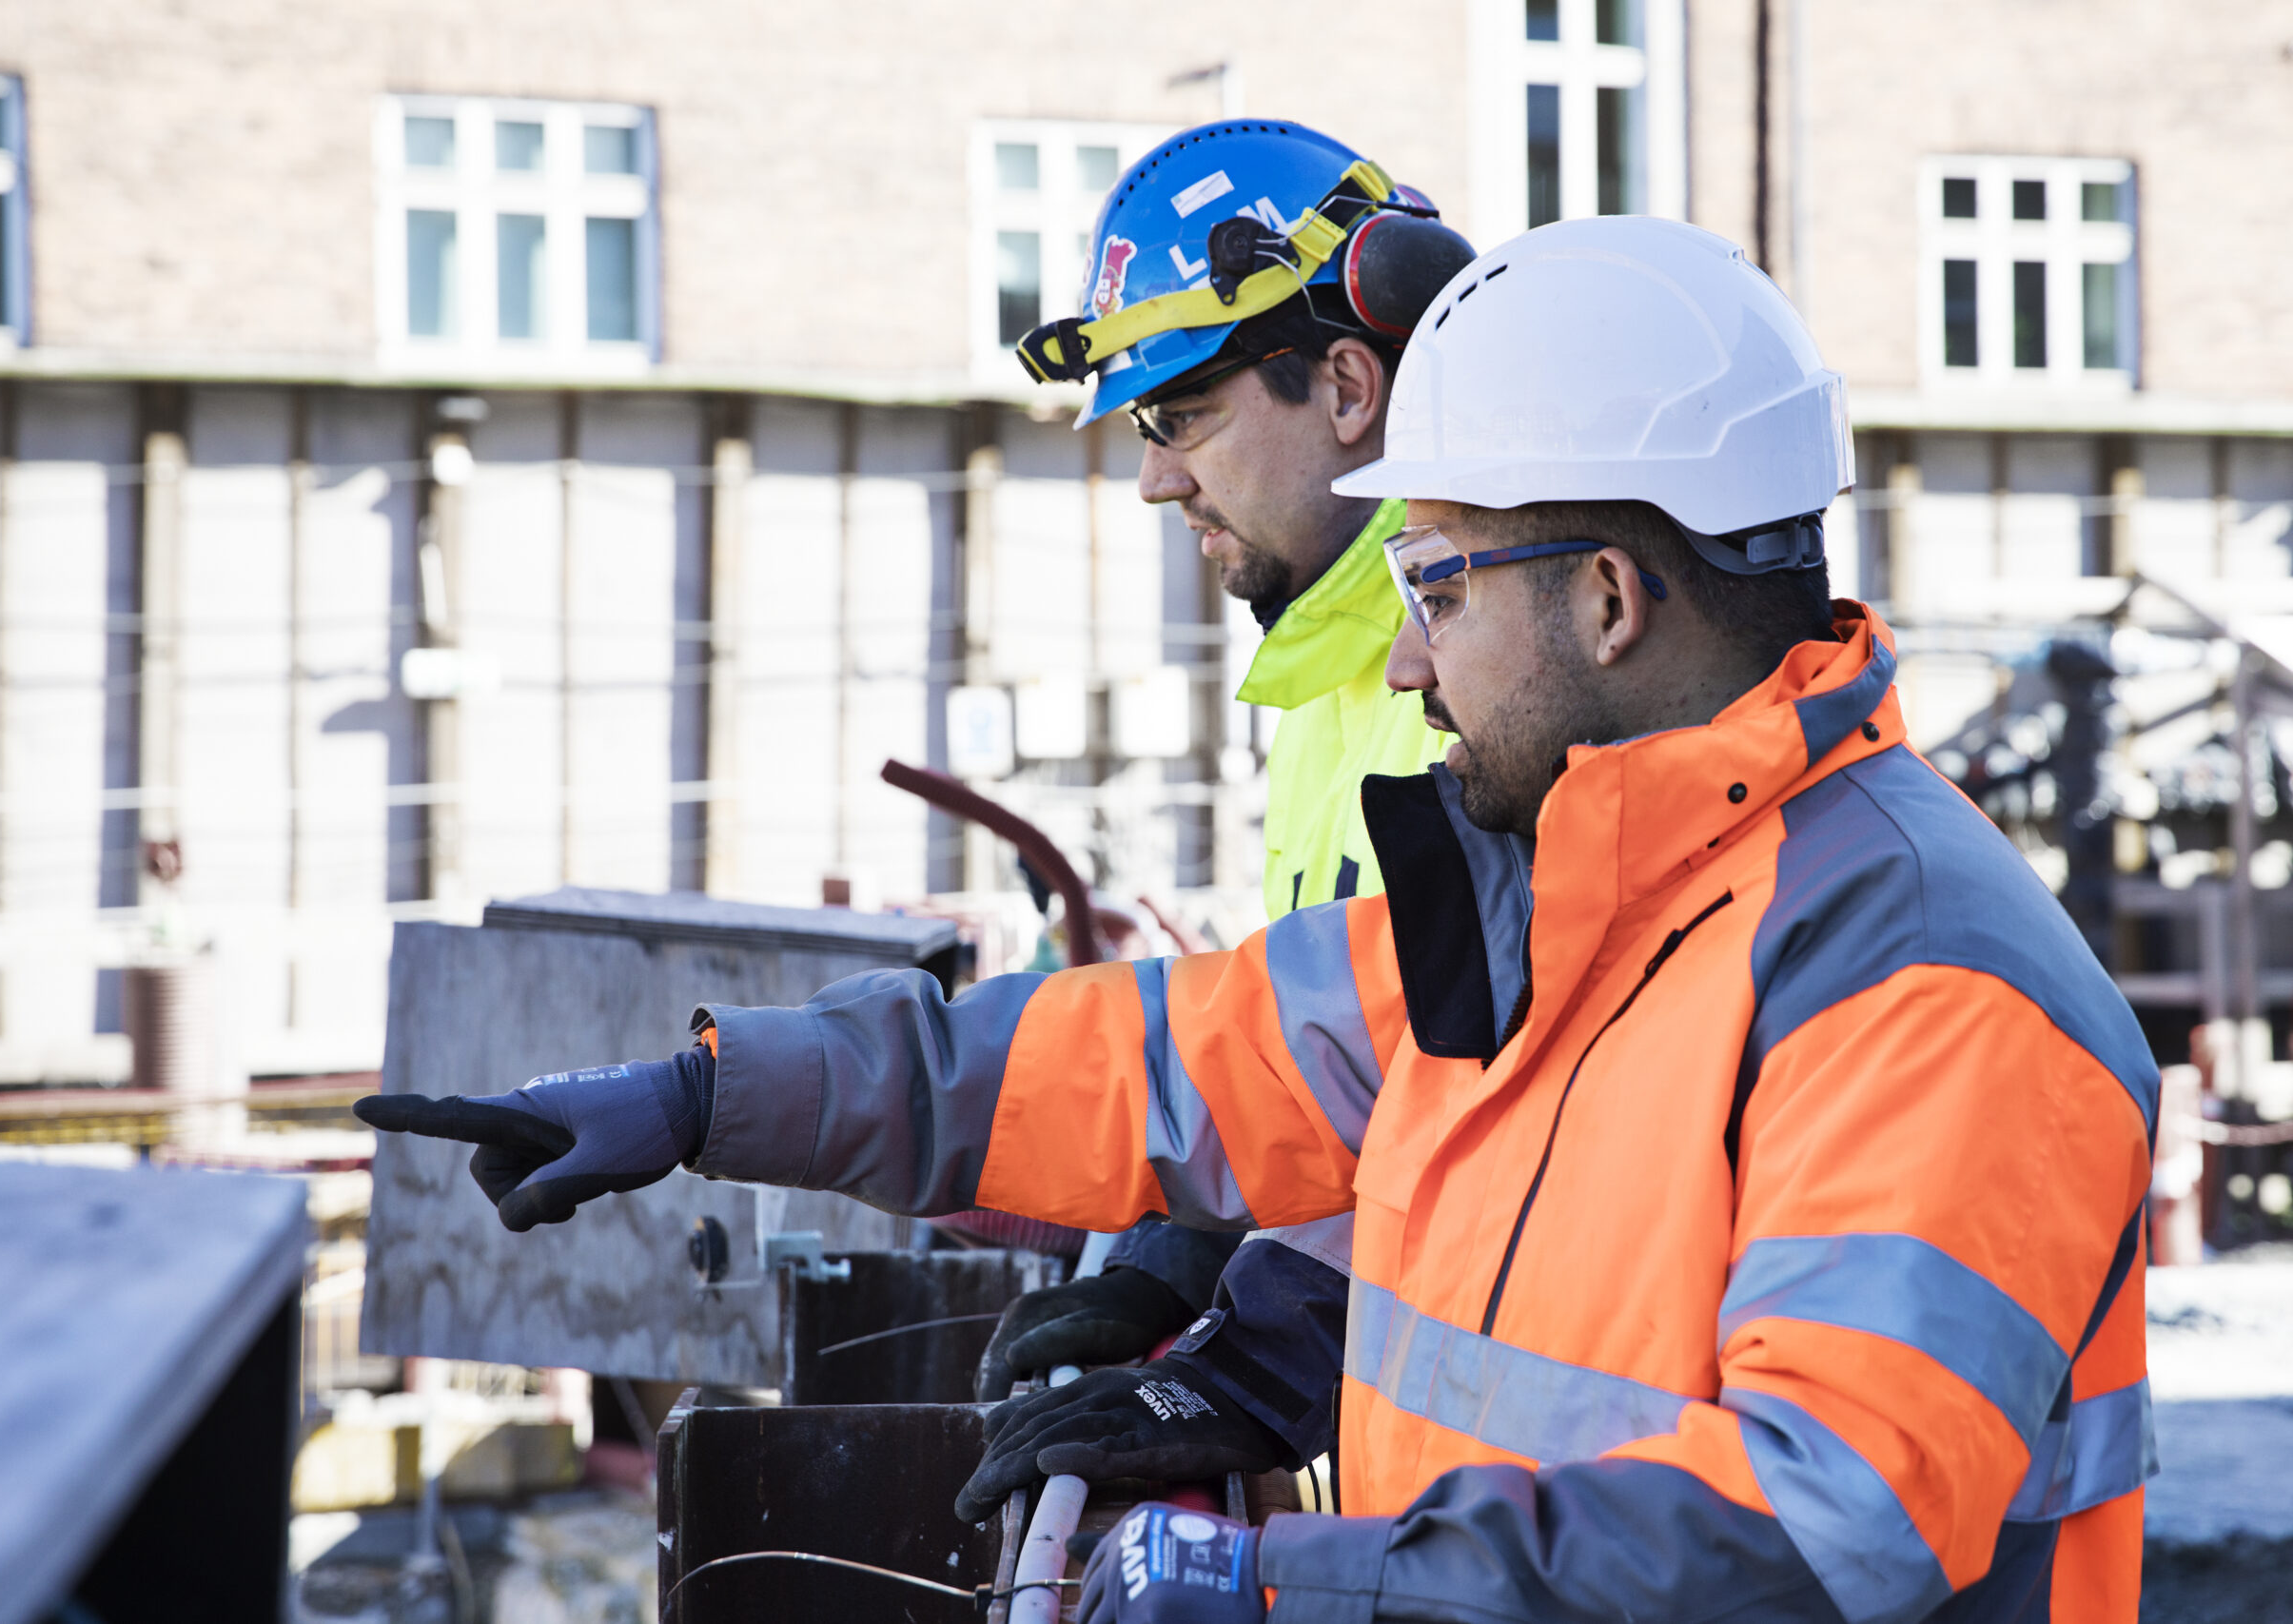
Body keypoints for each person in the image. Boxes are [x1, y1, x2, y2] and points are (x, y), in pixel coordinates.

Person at [361, 216, 2156, 1622]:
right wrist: (711, 1095)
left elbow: (1825, 1524)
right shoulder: (1588, 901)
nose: (1398, 651)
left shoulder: (1922, 982)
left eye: (1437, 580)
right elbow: (1168, 1051)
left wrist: (1288, 1589)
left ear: (1612, 597)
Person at [973, 117, 1485, 1402]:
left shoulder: (1501, 687)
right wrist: (1187, 1247)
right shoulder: (1320, 690)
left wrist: (1263, 1348)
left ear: (1351, 390)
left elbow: (1504, 1136)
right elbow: (1325, 1079)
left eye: (1183, 413)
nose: (1154, 480)